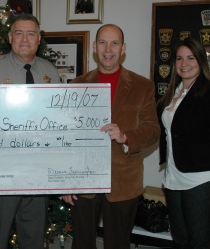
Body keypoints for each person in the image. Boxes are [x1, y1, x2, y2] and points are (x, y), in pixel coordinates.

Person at [62, 24, 160, 249]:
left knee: (118, 244)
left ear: (123, 48)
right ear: (95, 47)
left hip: (124, 182)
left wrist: (125, 136)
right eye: (103, 43)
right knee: (82, 244)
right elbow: (67, 137)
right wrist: (65, 181)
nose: (108, 49)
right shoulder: (77, 85)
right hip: (83, 182)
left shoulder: (142, 86)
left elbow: (153, 130)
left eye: (114, 43)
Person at [0, 13, 60, 249]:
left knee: (33, 238)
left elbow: (59, 120)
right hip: (1, 171)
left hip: (39, 171)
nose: (24, 39)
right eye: (19, 33)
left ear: (38, 39)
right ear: (10, 37)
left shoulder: (50, 72)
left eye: (31, 33)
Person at [157, 37, 210, 248]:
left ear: (201, 60)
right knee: (180, 239)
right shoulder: (171, 95)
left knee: (200, 241)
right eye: (179, 59)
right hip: (173, 177)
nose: (184, 64)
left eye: (190, 58)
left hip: (203, 179)